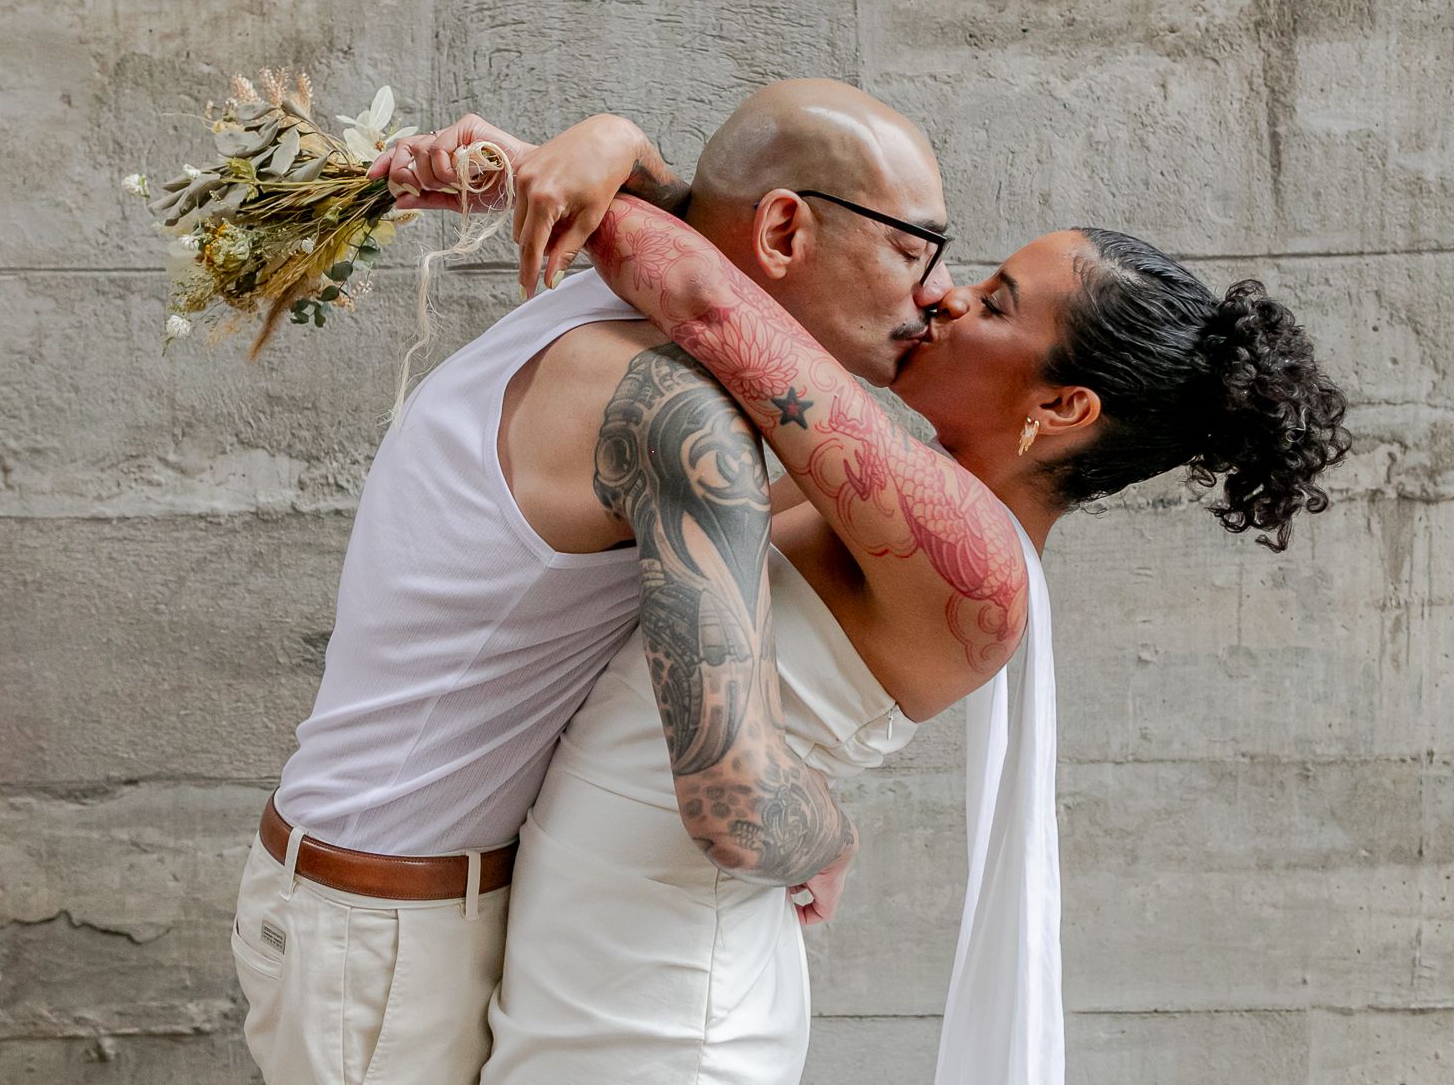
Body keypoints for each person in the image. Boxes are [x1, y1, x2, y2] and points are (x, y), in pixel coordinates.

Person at [404, 137, 1349, 1080]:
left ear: (1063, 408)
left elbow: (710, 305)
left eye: (996, 304)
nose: (947, 296)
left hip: (671, 1001)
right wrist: (603, 160)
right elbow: (750, 264)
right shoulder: (895, 494)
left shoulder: (973, 562)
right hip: (598, 946)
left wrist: (539, 166)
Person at [228, 79, 957, 1084]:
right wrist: (828, 834)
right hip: (385, 938)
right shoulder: (675, 411)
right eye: (915, 250)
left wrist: (614, 144)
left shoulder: (624, 300)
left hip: (402, 909)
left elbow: (695, 222)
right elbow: (739, 807)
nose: (939, 292)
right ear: (784, 230)